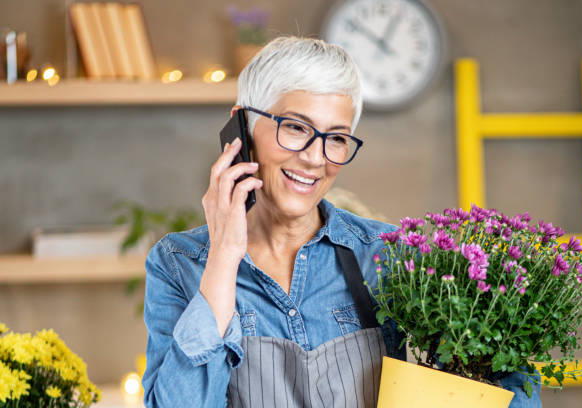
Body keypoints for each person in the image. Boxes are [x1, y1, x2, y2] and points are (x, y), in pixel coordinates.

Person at [142, 36, 541, 407]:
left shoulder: (387, 253)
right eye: (296, 128)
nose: (316, 159)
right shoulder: (179, 263)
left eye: (336, 138)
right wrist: (225, 258)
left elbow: (507, 383)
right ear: (243, 125)